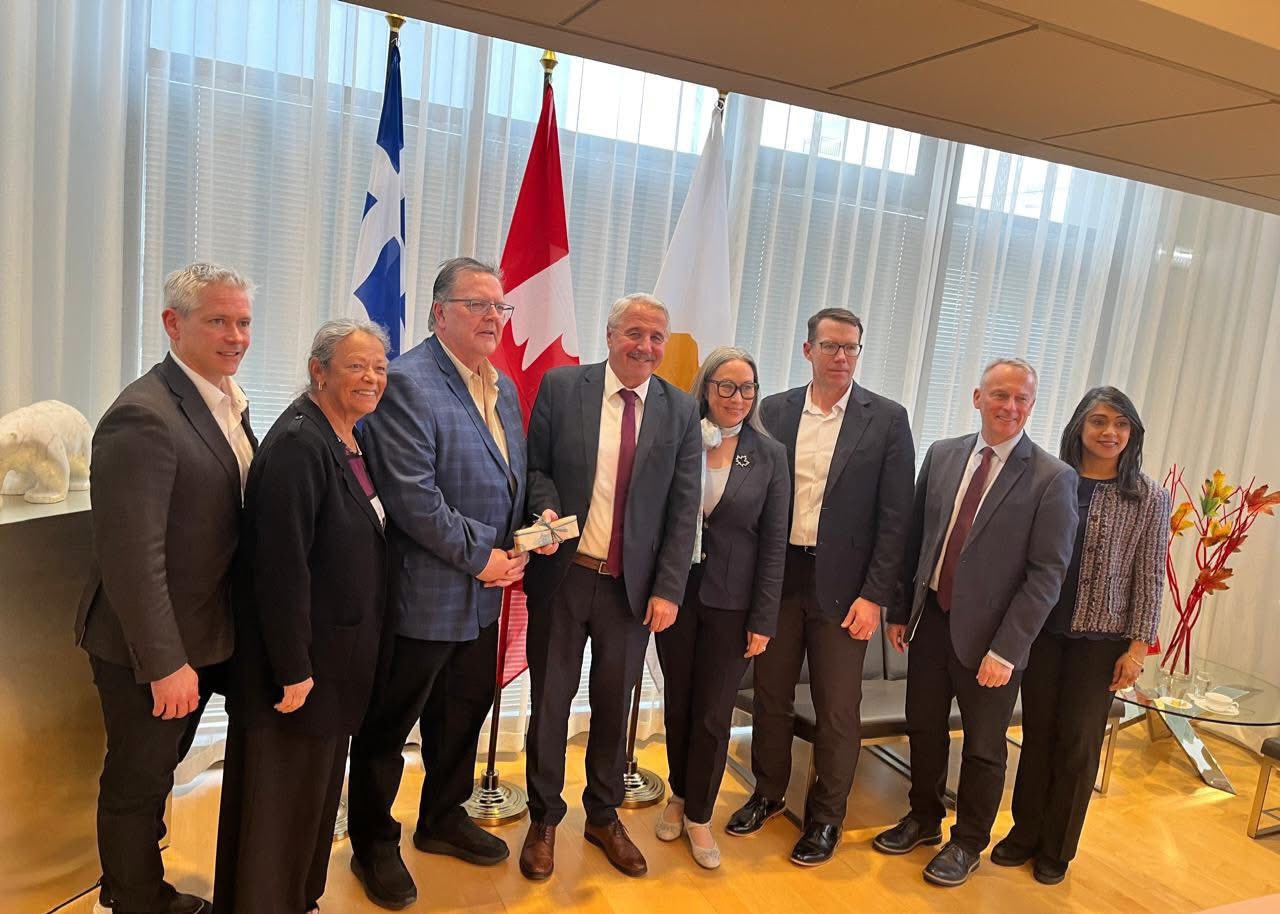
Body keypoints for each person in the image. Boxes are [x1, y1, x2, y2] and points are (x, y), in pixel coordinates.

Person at [346, 258, 528, 910]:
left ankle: (443, 818)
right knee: (389, 730)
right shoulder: (407, 383)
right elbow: (413, 499)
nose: (492, 317)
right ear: (438, 312)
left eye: (499, 306)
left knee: (462, 716)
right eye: (477, 304)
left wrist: (529, 530)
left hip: (483, 596)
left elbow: (511, 477)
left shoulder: (502, 386)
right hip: (423, 596)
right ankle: (373, 843)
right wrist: (484, 558)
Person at [76, 262, 256, 914]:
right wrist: (164, 662)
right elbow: (131, 557)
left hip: (205, 635)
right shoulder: (143, 415)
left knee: (158, 775)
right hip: (149, 648)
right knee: (138, 782)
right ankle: (134, 900)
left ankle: (132, 885)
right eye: (218, 320)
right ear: (173, 324)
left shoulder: (227, 402)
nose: (236, 336)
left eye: (243, 321)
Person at [874, 357, 1077, 888]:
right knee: (924, 728)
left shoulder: (1053, 478)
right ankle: (923, 817)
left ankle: (967, 842)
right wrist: (900, 610)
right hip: (930, 624)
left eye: (1021, 398)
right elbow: (917, 538)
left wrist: (1007, 650)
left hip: (993, 641)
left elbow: (1047, 576)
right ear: (977, 398)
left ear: (1032, 405)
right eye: (1000, 395)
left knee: (984, 747)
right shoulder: (943, 454)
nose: (1010, 407)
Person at [519, 293, 701, 881]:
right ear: (610, 335)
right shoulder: (562, 387)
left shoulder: (680, 409)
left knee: (613, 705)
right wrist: (546, 511)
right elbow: (537, 468)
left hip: (631, 589)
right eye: (634, 333)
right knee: (551, 702)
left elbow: (684, 509)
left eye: (656, 337)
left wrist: (669, 589)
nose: (645, 346)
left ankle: (602, 815)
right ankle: (545, 818)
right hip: (565, 577)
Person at [211, 319, 390, 914]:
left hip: (334, 664)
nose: (372, 378)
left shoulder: (350, 439)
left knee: (311, 801)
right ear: (319, 371)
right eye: (356, 366)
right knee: (278, 810)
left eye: (379, 368)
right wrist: (293, 667)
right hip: (296, 671)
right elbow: (278, 567)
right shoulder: (298, 444)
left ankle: (299, 899)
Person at [726, 308, 915, 867]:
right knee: (771, 695)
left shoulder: (887, 419)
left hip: (847, 590)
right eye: (831, 346)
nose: (841, 357)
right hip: (780, 577)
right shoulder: (774, 410)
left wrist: (875, 596)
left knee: (837, 708)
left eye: (851, 347)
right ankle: (767, 793)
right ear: (808, 350)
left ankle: (826, 817)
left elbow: (896, 520)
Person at [991, 386, 1170, 885]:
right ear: (1079, 428)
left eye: (1120, 423)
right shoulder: (1053, 480)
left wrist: (1137, 649)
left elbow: (1150, 576)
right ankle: (1024, 833)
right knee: (1037, 736)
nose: (1109, 432)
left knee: (1077, 743)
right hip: (1042, 632)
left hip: (1102, 642)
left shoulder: (1149, 497)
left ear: (1132, 433)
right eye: (1099, 421)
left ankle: (1058, 847)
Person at [653, 347, 789, 869]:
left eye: (747, 387)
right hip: (677, 595)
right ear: (706, 388)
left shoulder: (769, 454)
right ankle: (680, 793)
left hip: (734, 604)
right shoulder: (679, 439)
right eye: (726, 386)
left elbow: (773, 545)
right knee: (679, 704)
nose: (737, 397)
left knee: (713, 712)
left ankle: (700, 814)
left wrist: (763, 619)